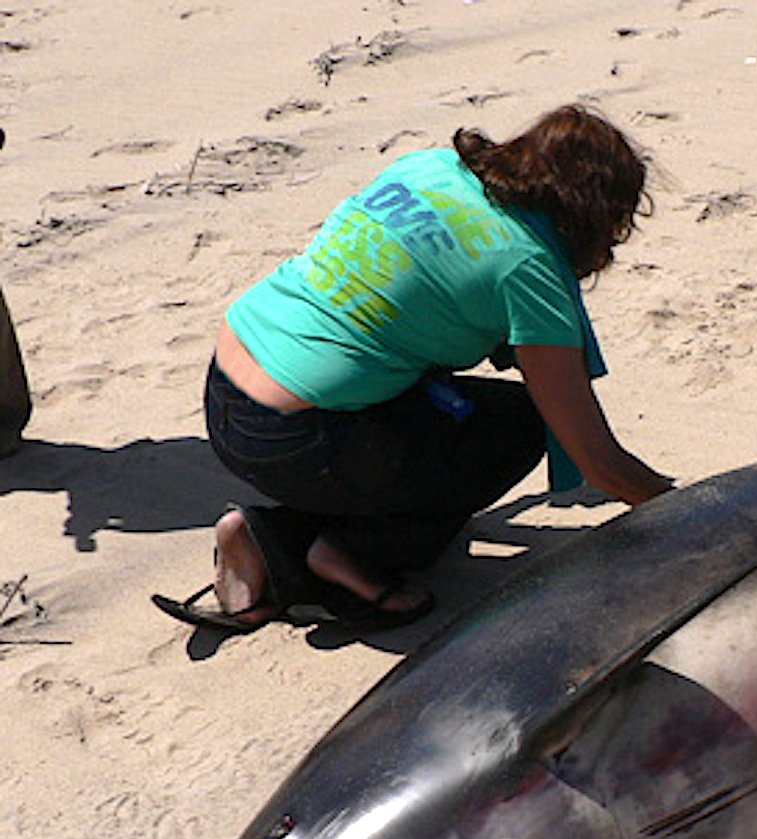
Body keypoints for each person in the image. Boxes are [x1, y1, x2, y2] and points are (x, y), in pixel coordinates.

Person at [155, 104, 673, 633]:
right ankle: (321, 554)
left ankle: (266, 540)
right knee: (515, 426)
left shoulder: (428, 169)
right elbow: (597, 460)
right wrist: (695, 513)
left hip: (227, 388)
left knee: (428, 389)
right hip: (294, 439)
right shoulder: (525, 266)